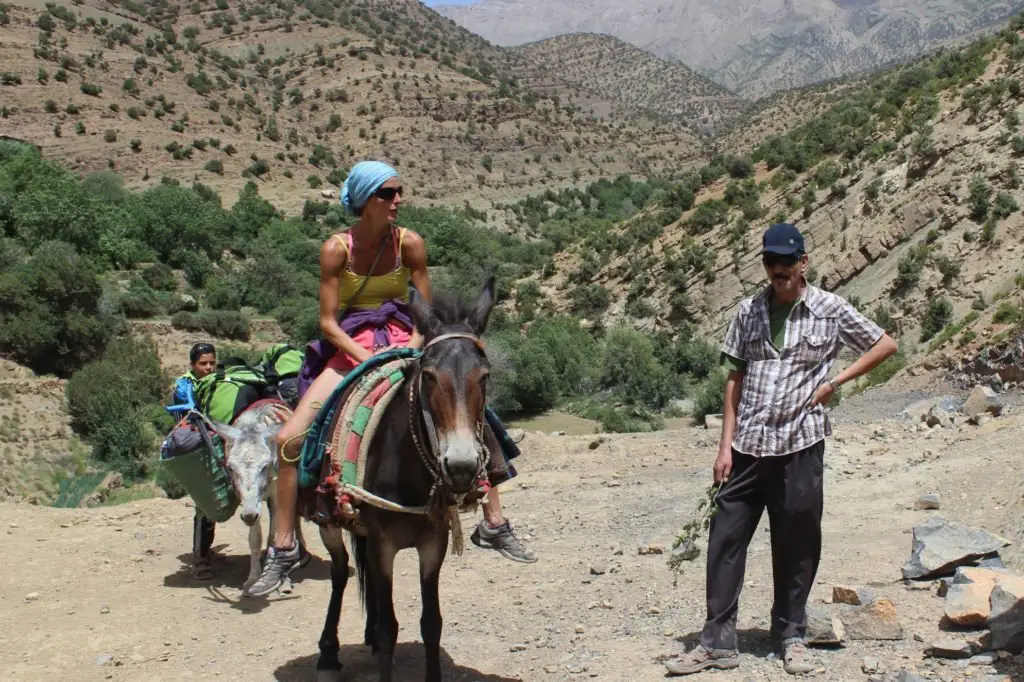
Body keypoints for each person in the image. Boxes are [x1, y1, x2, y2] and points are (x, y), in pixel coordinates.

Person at [246, 161, 536, 598]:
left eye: (399, 191)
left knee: (468, 404)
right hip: (351, 347)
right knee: (290, 438)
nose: (397, 200)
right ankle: (284, 547)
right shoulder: (335, 250)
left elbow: (424, 309)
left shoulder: (410, 245)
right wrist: (366, 358)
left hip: (406, 340)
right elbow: (327, 322)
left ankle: (494, 521)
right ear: (365, 200)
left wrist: (410, 349)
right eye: (388, 193)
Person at [665, 223, 898, 676]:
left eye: (786, 263)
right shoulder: (747, 311)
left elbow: (884, 343)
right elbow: (733, 380)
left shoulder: (830, 309)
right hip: (748, 445)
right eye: (771, 264)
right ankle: (717, 642)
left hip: (800, 444)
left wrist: (834, 383)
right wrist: (723, 447)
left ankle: (791, 635)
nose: (779, 271)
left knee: (797, 541)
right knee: (725, 539)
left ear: (803, 263)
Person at [170, 342, 219, 580]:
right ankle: (200, 558)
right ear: (192, 364)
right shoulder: (184, 387)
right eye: (203, 363)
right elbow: (183, 425)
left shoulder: (218, 381)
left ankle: (206, 552)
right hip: (197, 448)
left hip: (216, 446)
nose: (208, 368)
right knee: (203, 505)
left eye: (211, 363)